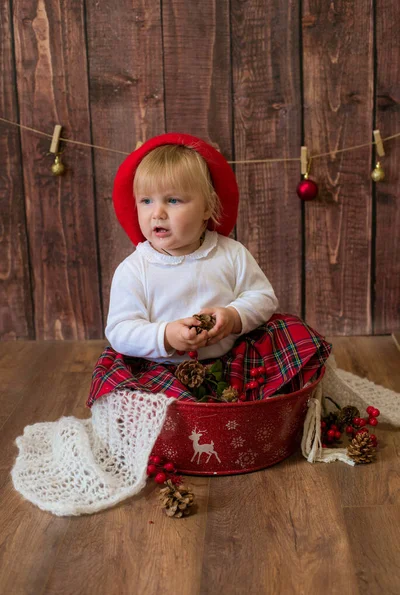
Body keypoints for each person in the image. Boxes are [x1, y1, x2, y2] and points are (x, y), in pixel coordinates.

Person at [88, 133, 331, 409]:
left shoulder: (230, 253)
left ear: (207, 207)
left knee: (290, 329)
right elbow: (120, 330)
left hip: (232, 362)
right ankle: (179, 425)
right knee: (126, 386)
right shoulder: (135, 269)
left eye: (173, 200)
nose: (157, 213)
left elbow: (263, 298)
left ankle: (253, 414)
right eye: (146, 201)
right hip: (161, 368)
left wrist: (232, 317)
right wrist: (166, 336)